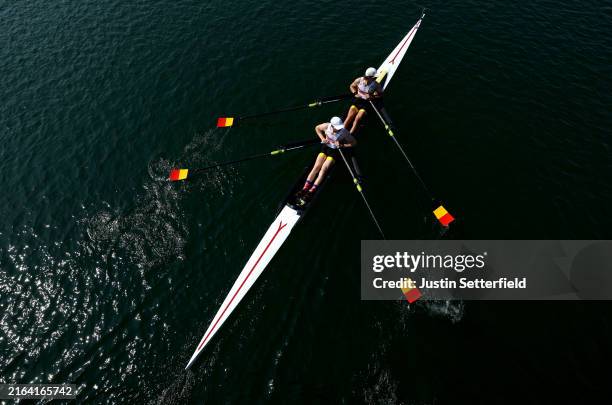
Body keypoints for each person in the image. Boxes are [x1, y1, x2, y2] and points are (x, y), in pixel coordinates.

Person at [297, 117, 356, 201]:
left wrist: (342, 145)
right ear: (332, 125)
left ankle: (311, 191)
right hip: (325, 148)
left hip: (335, 151)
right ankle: (304, 189)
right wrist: (322, 138)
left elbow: (354, 143)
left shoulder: (344, 132)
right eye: (337, 127)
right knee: (316, 167)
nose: (339, 129)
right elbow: (317, 128)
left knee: (323, 169)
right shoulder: (326, 126)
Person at [343, 67, 384, 133]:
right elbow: (351, 86)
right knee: (349, 116)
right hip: (358, 100)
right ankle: (341, 132)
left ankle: (350, 134)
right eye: (374, 77)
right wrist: (355, 93)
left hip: (367, 103)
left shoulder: (376, 85)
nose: (375, 78)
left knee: (357, 119)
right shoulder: (359, 80)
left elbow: (380, 95)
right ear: (370, 77)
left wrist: (372, 96)